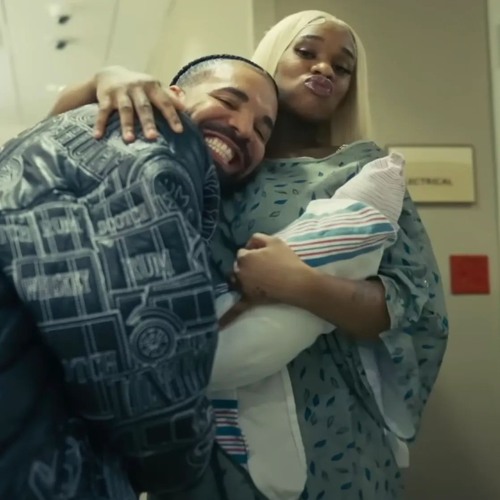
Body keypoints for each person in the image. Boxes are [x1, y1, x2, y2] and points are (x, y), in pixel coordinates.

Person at [50, 9, 448, 500]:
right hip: (198, 431)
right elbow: (60, 163)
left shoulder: (361, 172)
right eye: (306, 51)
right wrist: (103, 80)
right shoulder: (212, 158)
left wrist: (301, 285)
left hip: (329, 427)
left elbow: (412, 307)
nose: (324, 68)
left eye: (342, 66)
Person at [0, 54, 277, 500]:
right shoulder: (152, 136)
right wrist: (188, 474)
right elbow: (144, 363)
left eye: (263, 130)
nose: (244, 128)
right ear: (171, 96)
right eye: (228, 101)